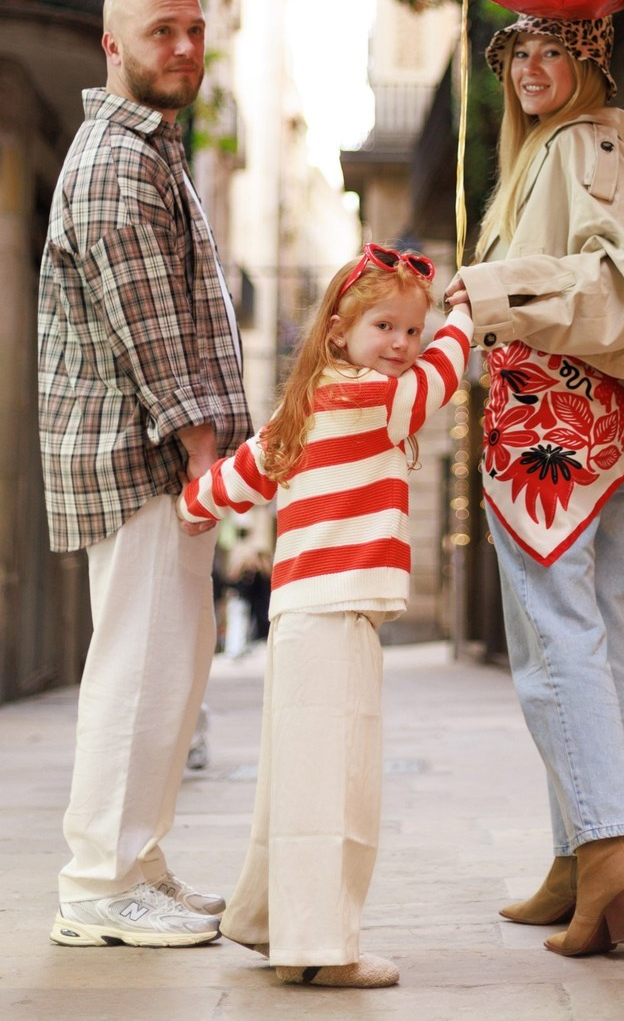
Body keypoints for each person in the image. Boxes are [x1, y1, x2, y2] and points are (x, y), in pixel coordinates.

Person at [443, 14, 624, 960]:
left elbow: (620, 273)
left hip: (562, 425)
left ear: (590, 64)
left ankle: (605, 853)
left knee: (554, 637)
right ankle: (579, 854)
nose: (531, 69)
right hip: (598, 423)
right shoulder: (553, 152)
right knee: (593, 633)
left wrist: (493, 288)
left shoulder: (581, 145)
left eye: (555, 51)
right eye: (517, 53)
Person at [177, 245, 473, 989]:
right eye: (387, 326)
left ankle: (270, 919)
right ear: (340, 330)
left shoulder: (308, 402)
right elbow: (441, 380)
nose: (404, 344)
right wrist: (463, 317)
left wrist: (193, 503)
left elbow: (249, 467)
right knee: (337, 785)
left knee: (296, 777)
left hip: (303, 611)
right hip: (336, 610)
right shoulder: (379, 396)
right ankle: (319, 947)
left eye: (414, 328)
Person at [38, 0, 251, 948]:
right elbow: (150, 332)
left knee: (170, 661)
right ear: (111, 46)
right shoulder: (119, 162)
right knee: (141, 664)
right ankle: (98, 885)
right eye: (160, 30)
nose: (183, 47)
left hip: (151, 454)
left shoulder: (150, 151)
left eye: (194, 30)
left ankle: (137, 858)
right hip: (142, 456)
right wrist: (203, 456)